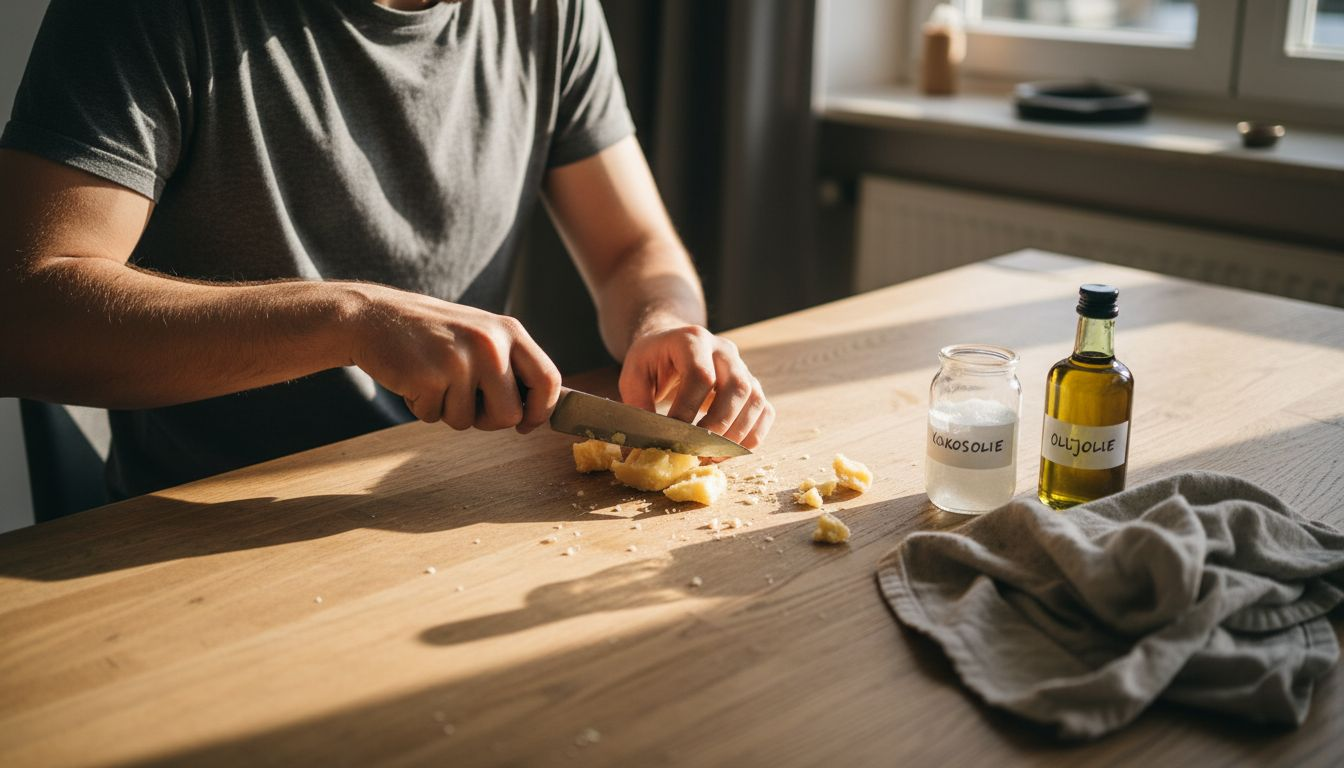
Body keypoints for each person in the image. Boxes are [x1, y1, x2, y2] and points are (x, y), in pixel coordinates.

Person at [0, 0, 774, 500]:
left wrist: (663, 324)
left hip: (447, 492)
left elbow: (632, 248)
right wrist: (352, 318)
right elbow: (23, 312)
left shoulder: (554, 12)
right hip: (204, 519)